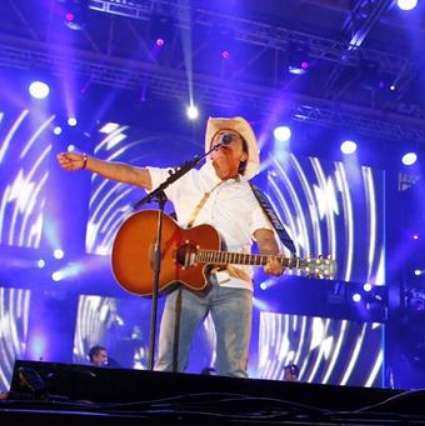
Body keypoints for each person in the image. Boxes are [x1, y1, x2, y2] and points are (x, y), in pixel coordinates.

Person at [57, 116, 285, 377]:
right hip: (185, 282)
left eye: (229, 138)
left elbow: (266, 238)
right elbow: (135, 174)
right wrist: (88, 162)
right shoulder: (186, 179)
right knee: (167, 365)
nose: (221, 140)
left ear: (243, 154)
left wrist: (272, 257)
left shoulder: (251, 195)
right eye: (217, 137)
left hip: (235, 287)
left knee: (233, 371)